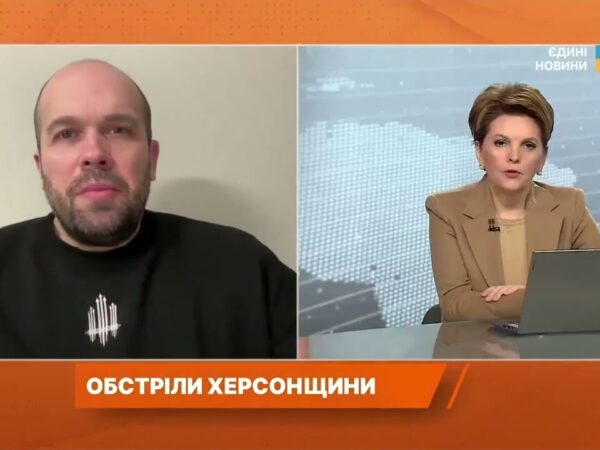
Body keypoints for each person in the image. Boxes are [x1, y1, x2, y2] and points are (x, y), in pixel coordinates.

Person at [0, 59, 296, 358]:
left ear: (152, 159)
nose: (94, 153)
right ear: (40, 165)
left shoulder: (243, 268)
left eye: (118, 130)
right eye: (67, 133)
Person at [426, 83, 600, 322]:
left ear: (542, 158)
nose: (514, 157)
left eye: (528, 145)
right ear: (479, 151)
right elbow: (456, 306)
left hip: (554, 343)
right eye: (501, 143)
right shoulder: (445, 209)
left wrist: (523, 298)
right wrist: (542, 297)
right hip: (479, 344)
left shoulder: (570, 205)